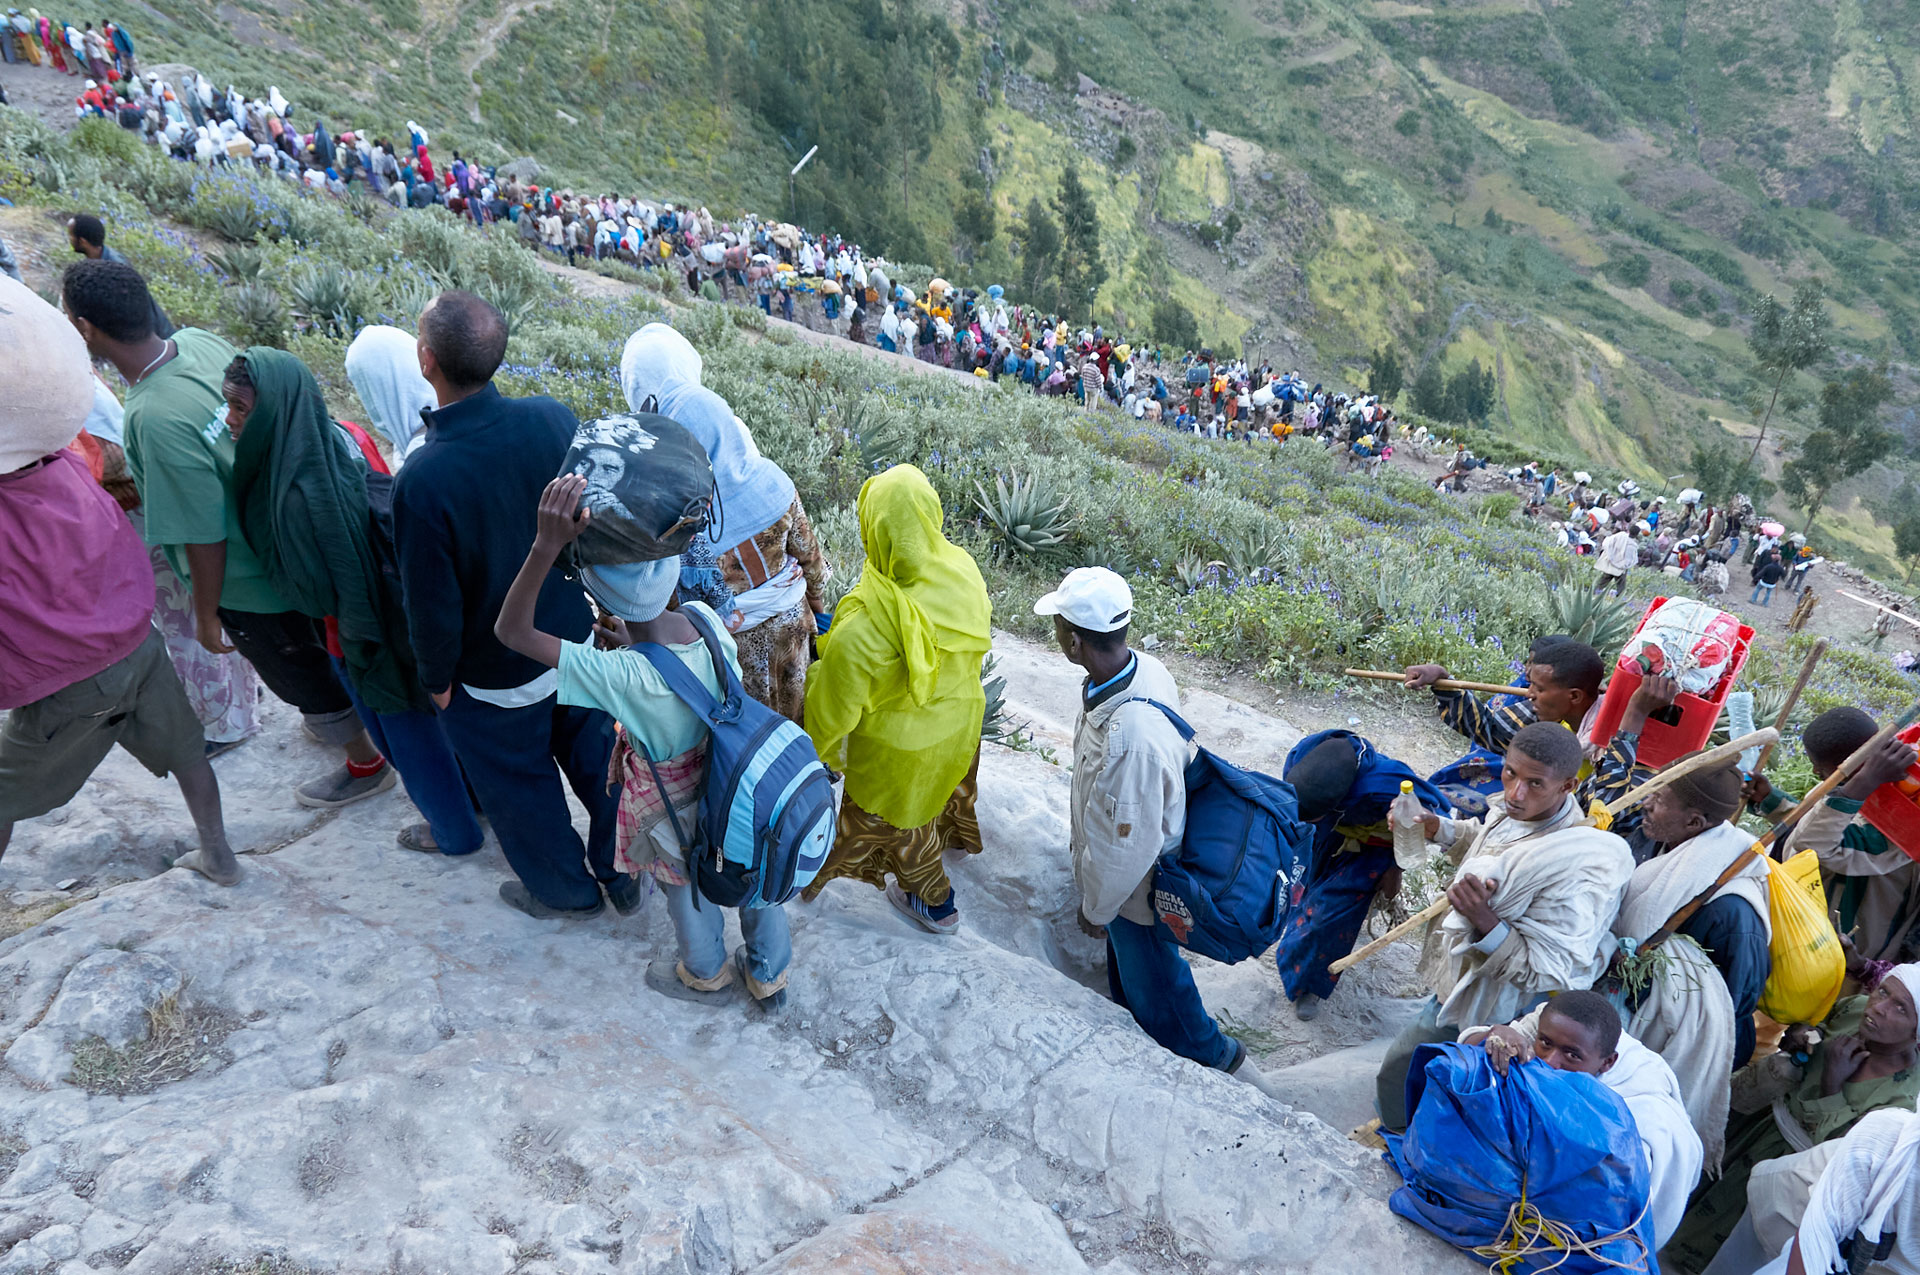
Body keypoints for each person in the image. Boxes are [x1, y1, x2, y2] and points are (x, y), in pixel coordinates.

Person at [61, 260, 394, 809]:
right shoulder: (198, 343)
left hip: (250, 578)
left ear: (86, 329)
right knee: (324, 649)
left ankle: (365, 761)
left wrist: (208, 613)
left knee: (297, 672)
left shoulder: (151, 415)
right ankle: (352, 722)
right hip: (293, 541)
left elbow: (202, 530)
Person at [495, 474, 792, 1012]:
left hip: (675, 812)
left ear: (601, 594)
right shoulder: (705, 621)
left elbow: (512, 632)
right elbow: (674, 656)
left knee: (687, 889)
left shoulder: (623, 676)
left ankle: (705, 975)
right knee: (753, 876)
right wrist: (632, 641)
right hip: (735, 789)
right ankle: (769, 975)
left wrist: (545, 546)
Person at [390, 291, 623, 920]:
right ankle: (626, 872)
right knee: (600, 764)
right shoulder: (551, 418)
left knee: (520, 789)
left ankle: (565, 891)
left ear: (427, 359)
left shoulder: (423, 478)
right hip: (573, 643)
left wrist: (437, 683)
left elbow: (429, 601)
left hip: (493, 672)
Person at [0, 274, 238, 885]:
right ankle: (219, 856)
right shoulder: (66, 469)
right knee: (188, 753)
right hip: (138, 645)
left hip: (71, 677)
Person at [219, 347, 483, 858]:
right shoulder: (346, 434)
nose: (230, 420)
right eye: (228, 405)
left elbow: (312, 593)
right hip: (402, 608)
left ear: (274, 408)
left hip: (356, 632)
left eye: (242, 409)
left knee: (402, 738)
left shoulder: (292, 488)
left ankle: (453, 832)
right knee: (433, 724)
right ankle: (477, 804)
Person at [1035, 564, 1285, 1094]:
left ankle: (1218, 1061)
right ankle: (1132, 1014)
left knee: (1159, 983)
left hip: (1139, 890)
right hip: (1136, 867)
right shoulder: (1141, 669)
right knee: (1134, 972)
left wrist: (1096, 909)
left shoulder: (1133, 739)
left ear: (1075, 641)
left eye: (1059, 624)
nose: (1055, 632)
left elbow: (1129, 846)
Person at [1372, 722, 1635, 1133]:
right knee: (1435, 1068)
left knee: (1411, 1062)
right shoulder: (1517, 810)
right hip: (1467, 976)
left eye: (1534, 783)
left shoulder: (1576, 864)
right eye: (1510, 773)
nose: (1515, 793)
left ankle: (1398, 1133)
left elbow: (1553, 969)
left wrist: (1485, 921)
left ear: (1567, 786)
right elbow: (1490, 840)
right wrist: (1438, 828)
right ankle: (1411, 1127)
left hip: (1498, 1003)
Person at [800, 465, 991, 934]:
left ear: (873, 531)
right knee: (942, 790)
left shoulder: (865, 629)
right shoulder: (960, 569)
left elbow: (830, 714)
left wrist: (814, 760)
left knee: (906, 831)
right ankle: (956, 840)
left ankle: (936, 902)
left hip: (899, 759)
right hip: (962, 726)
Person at [617, 325, 830, 724]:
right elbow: (811, 561)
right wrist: (816, 606)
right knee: (794, 723)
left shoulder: (665, 520)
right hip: (791, 636)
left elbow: (661, 600)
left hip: (719, 653)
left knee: (742, 740)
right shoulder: (772, 484)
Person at [1665, 966, 1920, 1271]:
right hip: (1752, 1132)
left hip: (1794, 1182)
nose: (1878, 1007)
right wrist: (1801, 1034)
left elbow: (1846, 1165)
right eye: (1883, 991)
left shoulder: (1905, 1101)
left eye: (1900, 1008)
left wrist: (1832, 1085)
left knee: (1718, 1249)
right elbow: (1818, 1028)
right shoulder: (1853, 1011)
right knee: (1681, 1207)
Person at [1609, 756, 1771, 1171]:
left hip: (1680, 1041)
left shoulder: (1732, 911)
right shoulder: (1658, 839)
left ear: (1696, 823)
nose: (1646, 803)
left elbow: (1726, 1010)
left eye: (1658, 799)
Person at [1463, 991, 1703, 1249]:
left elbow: (1617, 1203)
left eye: (1572, 1056)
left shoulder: (1637, 1113)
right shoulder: (1554, 1023)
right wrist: (1496, 1034)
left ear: (1608, 1063)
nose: (1551, 1062)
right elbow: (1470, 1046)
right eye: (1545, 1044)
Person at [1271, 730, 1449, 1021]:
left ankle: (1308, 984)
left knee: (1329, 915)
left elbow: (1431, 817)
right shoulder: (1301, 758)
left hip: (1373, 846)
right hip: (1325, 834)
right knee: (1304, 891)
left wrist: (1395, 868)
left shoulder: (1384, 786)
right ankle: (1296, 949)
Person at [1750, 709, 1920, 966]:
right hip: (1806, 923)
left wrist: (1864, 780)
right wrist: (1773, 802)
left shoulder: (1901, 823)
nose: (1816, 770)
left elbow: (1816, 843)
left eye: (1821, 766)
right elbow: (1822, 819)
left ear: (1855, 766)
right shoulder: (1854, 787)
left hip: (1847, 946)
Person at [68, 213, 173, 339]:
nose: (69, 239)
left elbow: (131, 312)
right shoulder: (98, 261)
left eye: (71, 235)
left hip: (153, 339)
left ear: (82, 241)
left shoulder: (115, 268)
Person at [1596, 521, 1639, 595]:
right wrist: (1624, 566)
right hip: (1620, 568)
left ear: (1629, 530)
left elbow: (1607, 542)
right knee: (1621, 585)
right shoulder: (1632, 546)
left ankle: (1595, 593)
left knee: (1603, 580)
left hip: (1610, 563)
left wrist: (1610, 556)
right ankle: (1618, 599)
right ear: (1637, 535)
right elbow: (1630, 560)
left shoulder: (1620, 535)